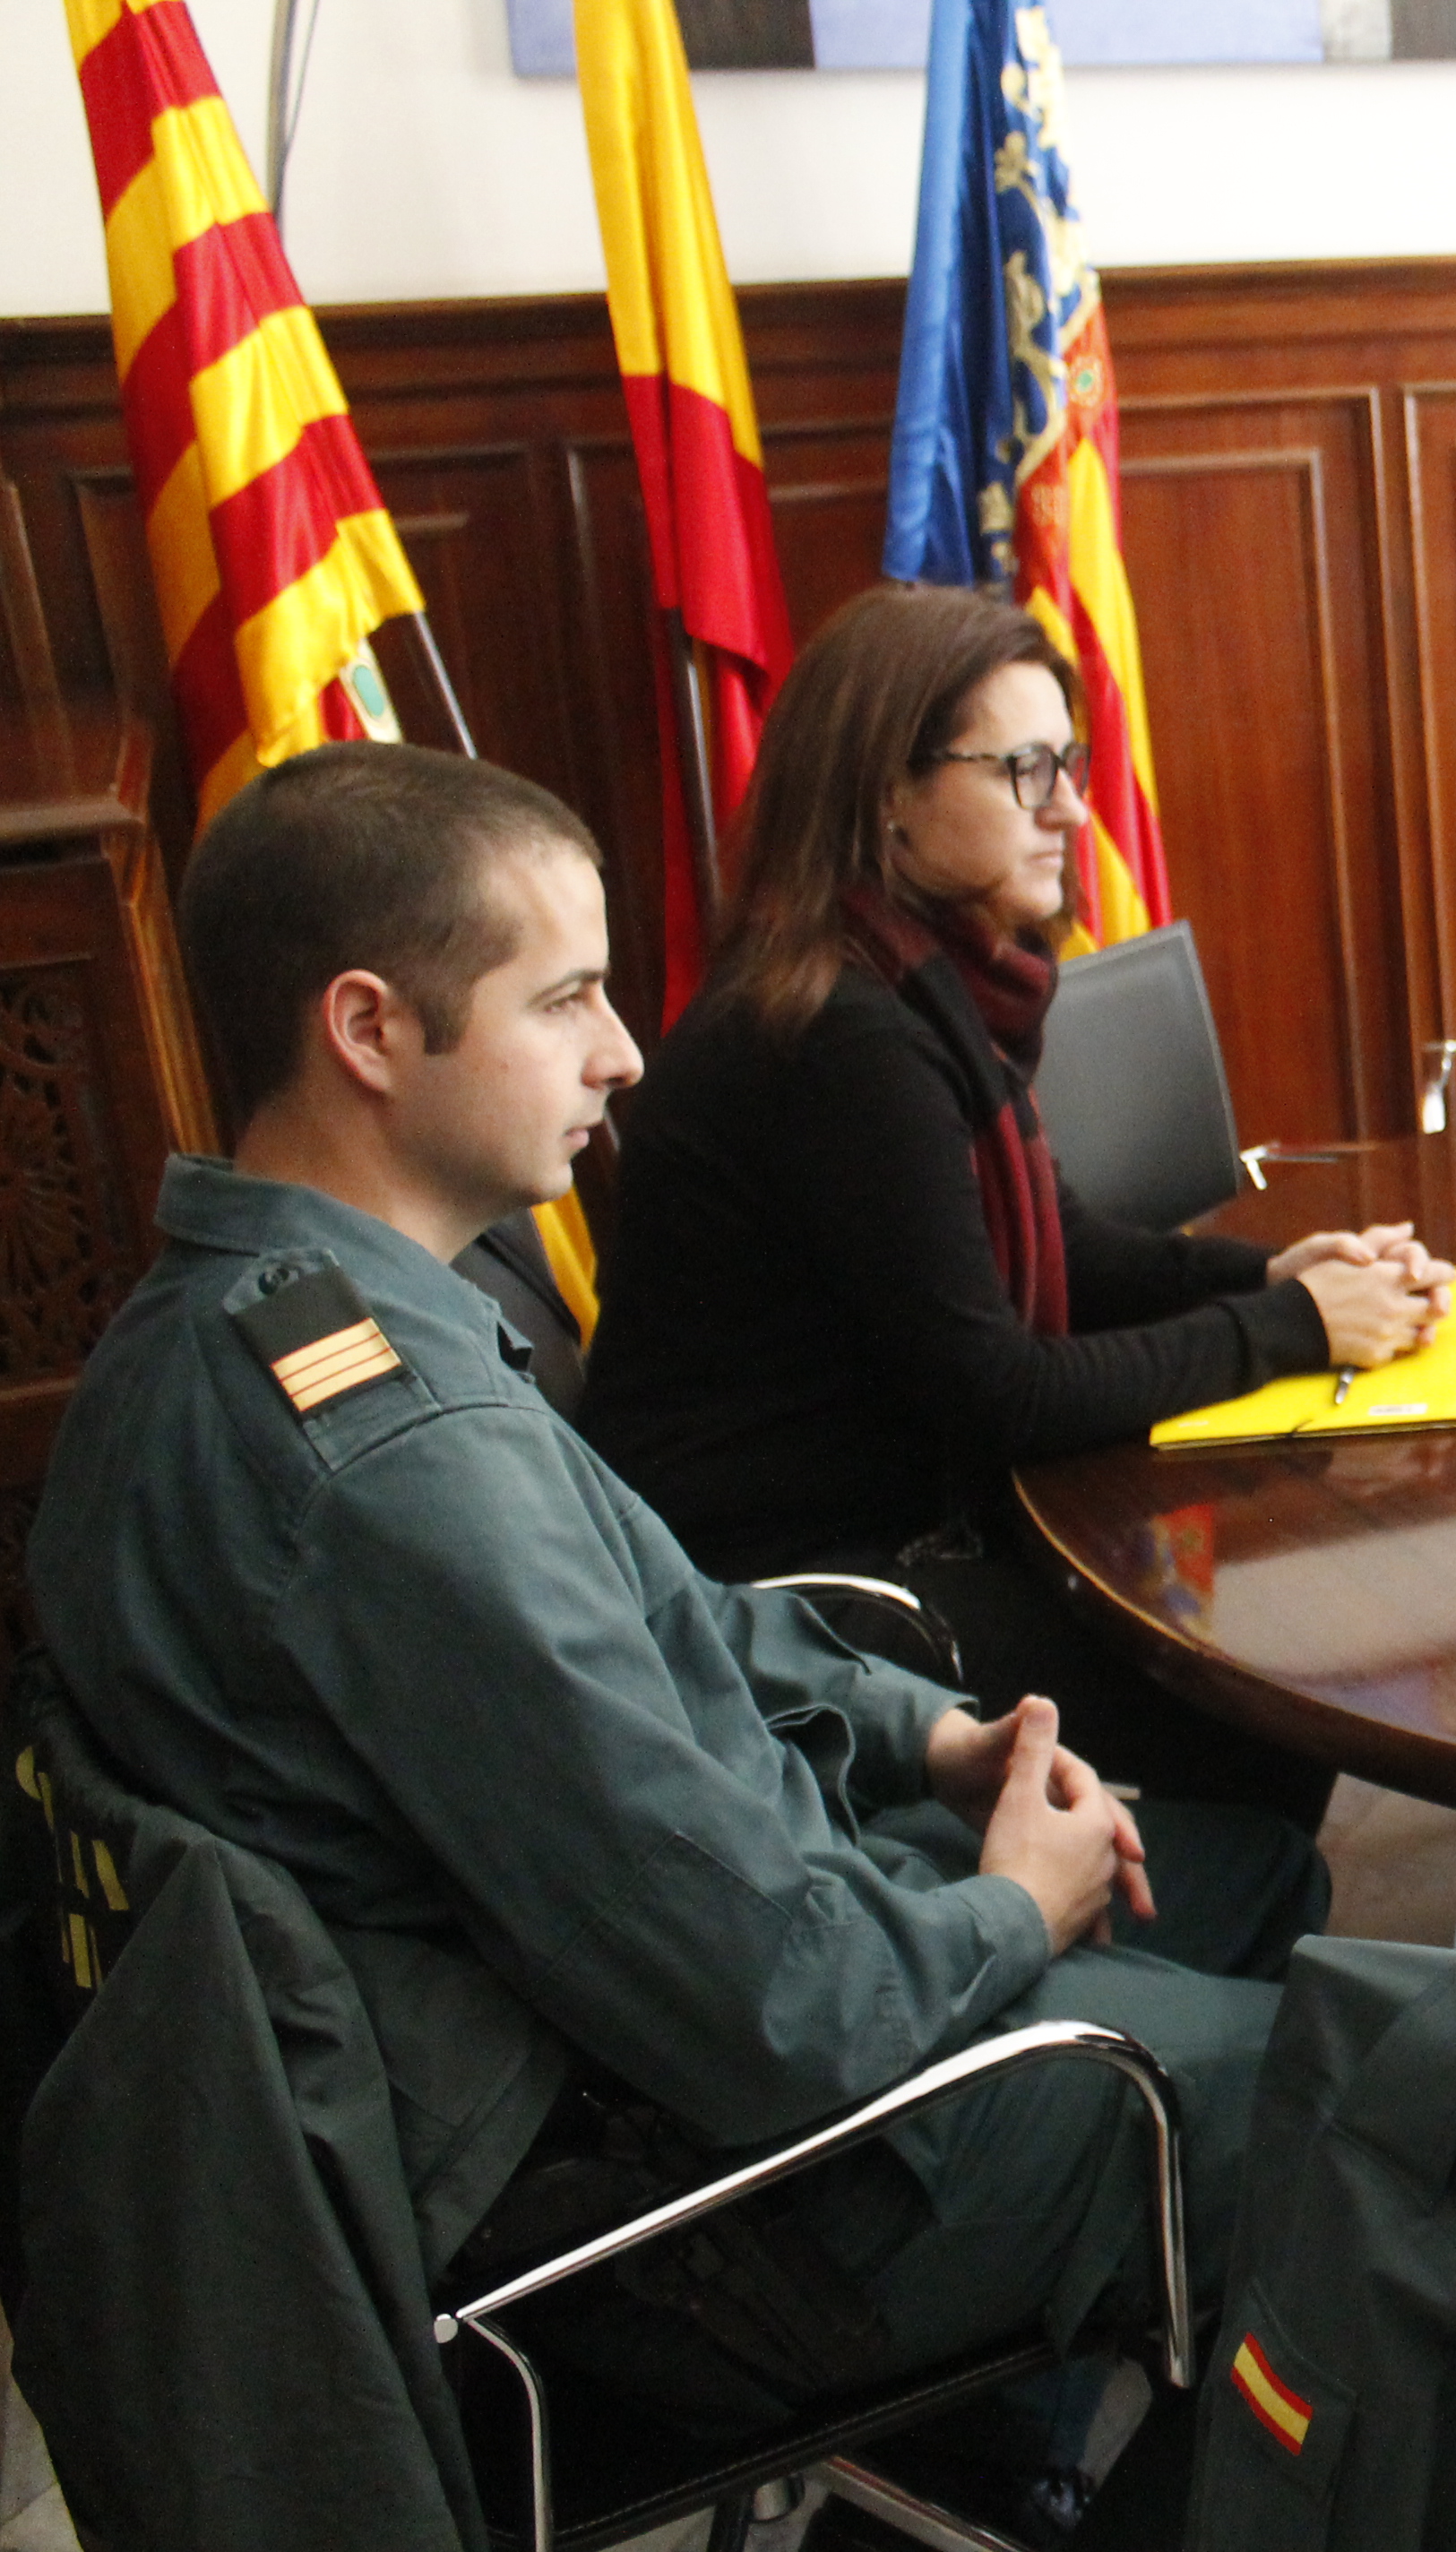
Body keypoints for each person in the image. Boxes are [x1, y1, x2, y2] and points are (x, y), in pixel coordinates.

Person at [29, 743, 1322, 2535]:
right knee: (1350, 2098)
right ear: (369, 1030)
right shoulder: (393, 1457)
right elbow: (791, 2007)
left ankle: (998, 2426)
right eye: (563, 998)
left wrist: (925, 1743)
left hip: (590, 2062)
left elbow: (678, 1615)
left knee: (1238, 1865)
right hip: (671, 2219)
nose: (625, 1052)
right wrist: (1011, 1904)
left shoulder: (236, 1329)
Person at [579, 583, 1448, 1809]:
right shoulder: (846, 1034)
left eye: (1071, 766)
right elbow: (999, 1391)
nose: (1074, 810)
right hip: (786, 1588)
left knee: (1254, 1645)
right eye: (1027, 770)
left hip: (894, 1509)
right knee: (1254, 1683)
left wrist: (1271, 1272)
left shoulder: (914, 980)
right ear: (888, 793)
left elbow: (1065, 1246)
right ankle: (1175, 1975)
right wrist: (1292, 1331)